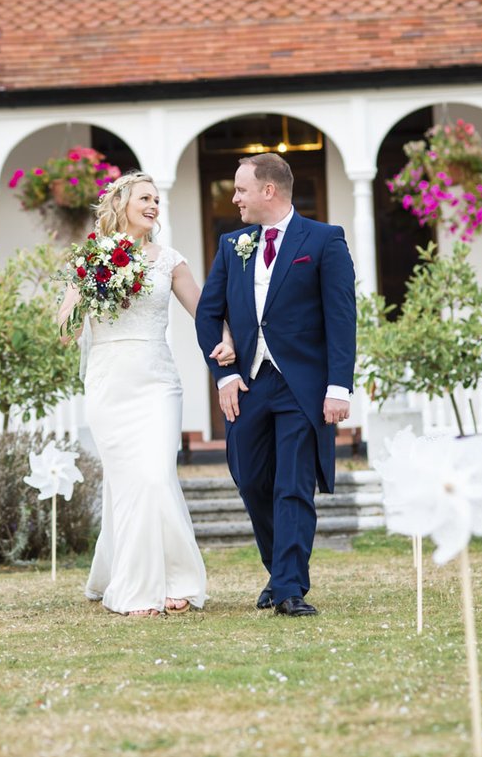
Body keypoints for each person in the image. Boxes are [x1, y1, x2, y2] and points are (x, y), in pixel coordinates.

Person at [59, 171, 235, 617]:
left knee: (156, 476)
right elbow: (64, 332)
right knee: (128, 483)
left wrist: (227, 340)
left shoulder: (170, 261)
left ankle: (177, 579)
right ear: (121, 205)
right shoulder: (91, 260)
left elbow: (204, 312)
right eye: (145, 198)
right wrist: (87, 287)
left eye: (156, 199)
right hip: (109, 383)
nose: (154, 205)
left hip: (157, 381)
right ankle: (133, 584)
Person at [194, 153, 356, 617]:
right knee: (250, 478)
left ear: (269, 191)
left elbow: (341, 317)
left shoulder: (324, 240)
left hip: (301, 387)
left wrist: (338, 387)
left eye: (241, 189)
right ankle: (279, 570)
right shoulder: (233, 244)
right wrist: (224, 374)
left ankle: (288, 587)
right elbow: (208, 314)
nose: (234, 198)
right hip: (249, 384)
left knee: (292, 485)